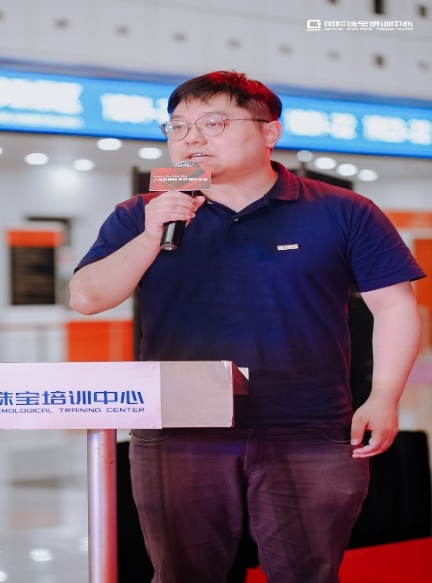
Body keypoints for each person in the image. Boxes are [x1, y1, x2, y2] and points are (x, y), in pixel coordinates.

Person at [69, 70, 425, 583]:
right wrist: (150, 237)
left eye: (212, 123)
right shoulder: (141, 215)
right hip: (179, 430)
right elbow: (86, 298)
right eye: (178, 126)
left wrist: (384, 396)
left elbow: (394, 307)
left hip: (309, 429)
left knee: (306, 574)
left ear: (269, 131)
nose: (191, 138)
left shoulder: (344, 212)